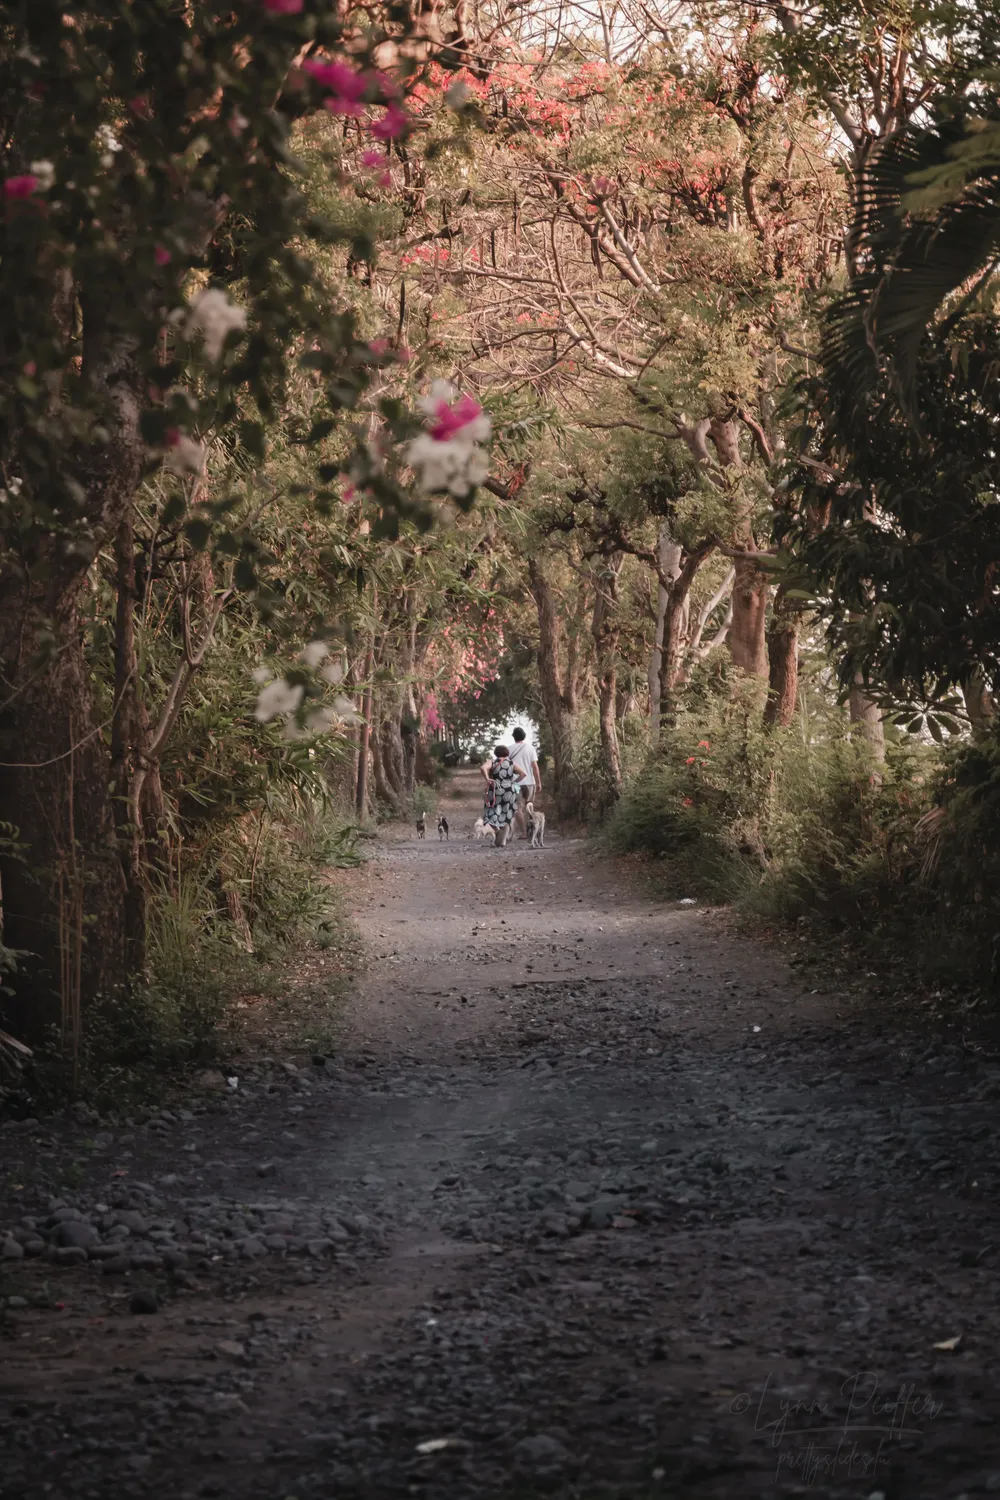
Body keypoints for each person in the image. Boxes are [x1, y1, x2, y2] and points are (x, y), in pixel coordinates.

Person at [480, 744, 525, 847]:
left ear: (496, 753)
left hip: (495, 791)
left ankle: (497, 831)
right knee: (507, 814)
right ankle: (503, 840)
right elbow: (523, 774)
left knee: (490, 813)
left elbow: (483, 768)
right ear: (506, 753)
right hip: (509, 791)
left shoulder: (492, 762)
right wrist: (514, 782)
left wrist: (487, 778)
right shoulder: (512, 763)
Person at [508, 725, 541, 839]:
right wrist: (539, 782)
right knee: (529, 806)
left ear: (514, 737)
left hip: (516, 783)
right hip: (529, 782)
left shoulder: (509, 749)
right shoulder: (530, 749)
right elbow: (535, 767)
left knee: (517, 808)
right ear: (524, 736)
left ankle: (524, 833)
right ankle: (533, 830)